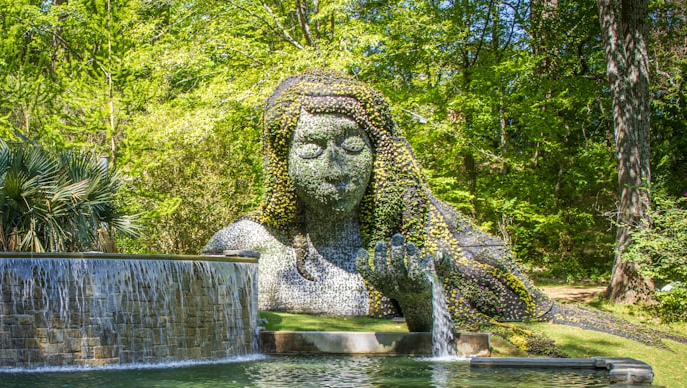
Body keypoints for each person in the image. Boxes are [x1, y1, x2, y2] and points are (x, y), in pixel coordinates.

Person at [203, 69, 551, 332]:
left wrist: (417, 301)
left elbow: (443, 342)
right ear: (284, 161)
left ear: (378, 155)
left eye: (352, 147)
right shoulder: (239, 242)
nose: (333, 168)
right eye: (311, 149)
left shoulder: (410, 240)